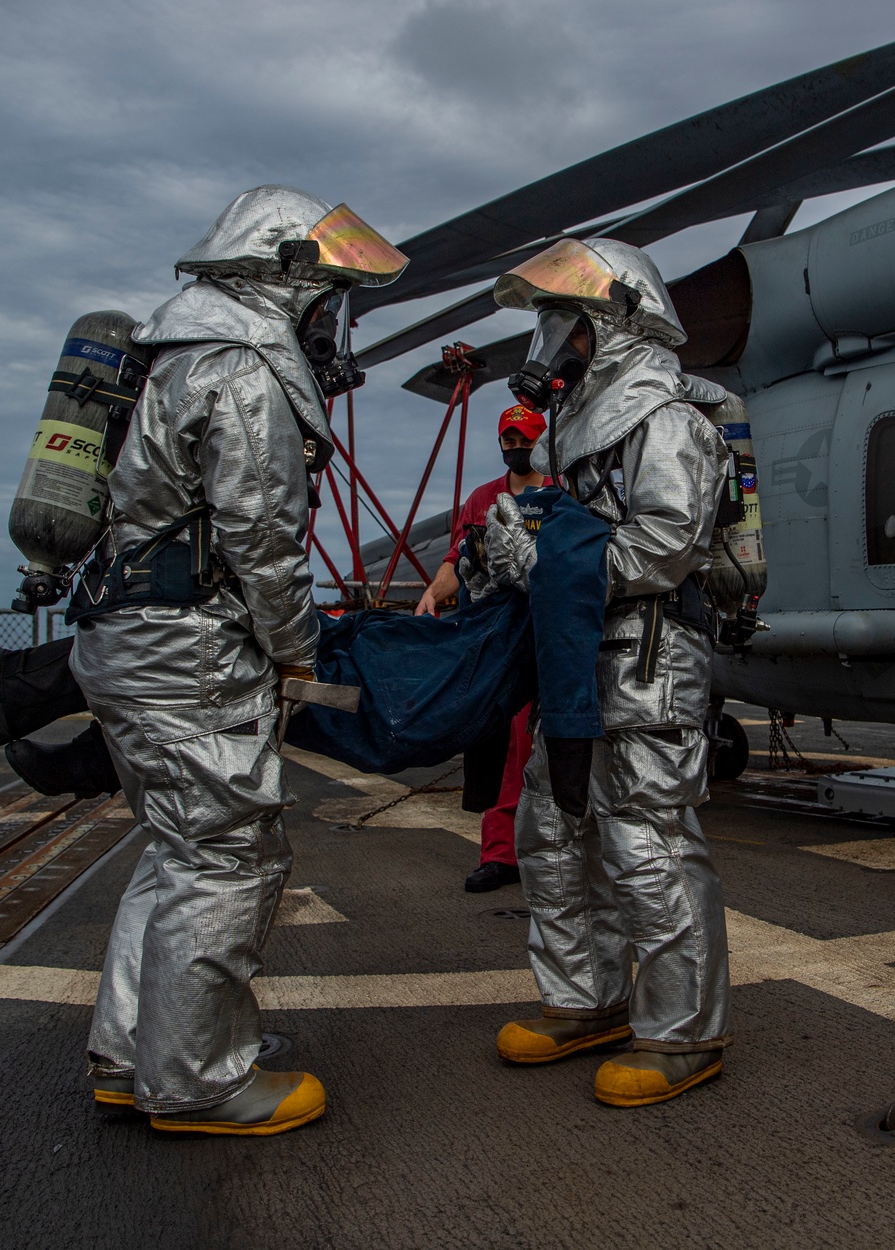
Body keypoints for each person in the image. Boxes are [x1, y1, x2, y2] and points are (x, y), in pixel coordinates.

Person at [58, 185, 407, 1135]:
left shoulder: (168, 355)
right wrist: (301, 651)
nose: (331, 318)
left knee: (178, 848)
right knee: (228, 860)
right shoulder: (245, 369)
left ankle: (134, 1052)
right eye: (326, 293)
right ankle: (199, 1077)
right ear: (282, 277)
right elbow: (263, 539)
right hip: (193, 651)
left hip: (127, 637)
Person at [484, 236, 732, 1107]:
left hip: (646, 659)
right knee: (550, 834)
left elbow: (664, 547)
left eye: (568, 322)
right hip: (575, 659)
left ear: (617, 321)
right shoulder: (572, 423)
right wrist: (521, 543)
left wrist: (540, 562)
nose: (553, 341)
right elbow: (569, 532)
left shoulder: (666, 418)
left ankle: (682, 1031)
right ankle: (586, 1001)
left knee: (647, 842)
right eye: (548, 323)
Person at [414, 405, 545, 893]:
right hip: (496, 641)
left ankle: (555, 851)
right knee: (500, 747)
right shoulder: (482, 499)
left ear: (540, 439)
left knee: (544, 747)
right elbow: (457, 557)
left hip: (546, 635)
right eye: (508, 440)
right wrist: (433, 593)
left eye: (523, 439)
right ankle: (500, 854)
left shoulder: (557, 491)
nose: (515, 448)